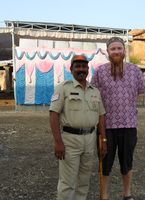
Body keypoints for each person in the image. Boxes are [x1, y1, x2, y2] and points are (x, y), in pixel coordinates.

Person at [91, 37, 145, 200]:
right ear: (107, 52)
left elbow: (141, 91)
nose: (116, 51)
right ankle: (104, 196)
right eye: (113, 49)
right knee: (105, 163)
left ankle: (127, 194)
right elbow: (93, 95)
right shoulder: (100, 72)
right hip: (105, 127)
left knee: (127, 162)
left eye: (119, 48)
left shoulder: (135, 71)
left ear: (124, 51)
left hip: (129, 125)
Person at [49, 55, 107, 200]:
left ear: (88, 69)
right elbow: (53, 114)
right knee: (67, 182)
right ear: (71, 69)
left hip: (90, 139)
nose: (81, 69)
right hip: (70, 140)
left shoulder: (95, 91)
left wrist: (103, 140)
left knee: (84, 181)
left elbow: (101, 116)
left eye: (84, 66)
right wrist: (57, 142)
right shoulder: (63, 88)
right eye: (78, 66)